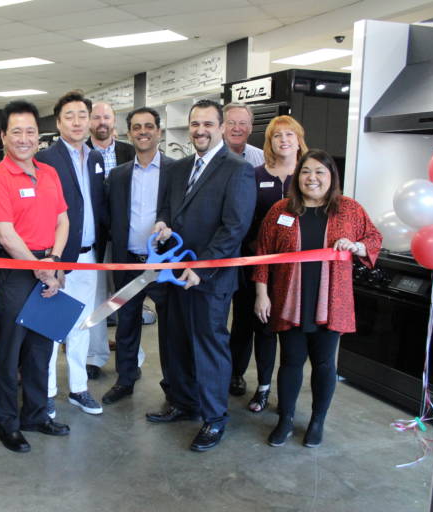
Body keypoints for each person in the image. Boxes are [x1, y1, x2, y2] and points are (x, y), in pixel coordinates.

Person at [253, 149, 382, 448]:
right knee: (290, 362)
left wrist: (357, 247)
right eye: (306, 171)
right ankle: (285, 419)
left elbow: (374, 239)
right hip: (289, 300)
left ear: (331, 177)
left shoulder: (349, 209)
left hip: (331, 302)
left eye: (320, 172)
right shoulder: (282, 210)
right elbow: (262, 254)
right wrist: (261, 293)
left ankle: (317, 421)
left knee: (324, 364)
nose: (312, 178)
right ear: (298, 177)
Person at [153, 99, 256, 452]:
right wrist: (162, 224)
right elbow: (167, 208)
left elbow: (234, 228)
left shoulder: (237, 169)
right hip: (176, 272)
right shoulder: (179, 168)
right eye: (195, 124)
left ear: (222, 127)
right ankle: (183, 402)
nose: (200, 130)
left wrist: (202, 267)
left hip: (210, 278)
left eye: (208, 124)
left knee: (208, 345)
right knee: (176, 340)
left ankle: (214, 419)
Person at [0, 99, 71, 453]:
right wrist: (40, 269)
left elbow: (62, 220)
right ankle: (8, 421)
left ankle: (35, 414)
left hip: (50, 264)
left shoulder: (49, 173)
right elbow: (5, 234)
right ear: (4, 136)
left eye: (30, 131)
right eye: (16, 131)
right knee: (10, 351)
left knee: (41, 347)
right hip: (17, 272)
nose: (24, 138)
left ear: (39, 136)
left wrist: (55, 262)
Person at [228, 115, 308, 411]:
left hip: (293, 271)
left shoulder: (309, 175)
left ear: (298, 139)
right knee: (245, 322)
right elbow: (242, 217)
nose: (284, 140)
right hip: (253, 263)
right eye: (277, 136)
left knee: (277, 330)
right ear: (269, 142)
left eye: (289, 134)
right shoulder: (254, 173)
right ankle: (236, 374)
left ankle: (266, 386)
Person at [36, 90, 107, 418]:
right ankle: (47, 392)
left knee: (82, 325)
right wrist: (53, 259)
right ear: (58, 121)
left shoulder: (94, 158)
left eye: (82, 115)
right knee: (51, 328)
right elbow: (45, 213)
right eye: (70, 116)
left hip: (90, 256)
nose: (77, 122)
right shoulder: (47, 160)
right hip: (60, 259)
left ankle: (78, 388)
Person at [102, 106, 175, 405]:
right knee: (127, 323)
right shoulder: (118, 175)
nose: (142, 131)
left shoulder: (176, 170)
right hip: (127, 260)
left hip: (163, 264)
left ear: (159, 131)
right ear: (129, 133)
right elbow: (108, 217)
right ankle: (125, 379)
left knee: (170, 329)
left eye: (148, 126)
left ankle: (174, 386)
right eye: (136, 127)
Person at [85, 101, 137, 380]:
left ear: (114, 122)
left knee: (126, 298)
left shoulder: (129, 152)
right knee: (95, 299)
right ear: (89, 122)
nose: (101, 122)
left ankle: (133, 358)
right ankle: (95, 356)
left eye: (107, 117)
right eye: (96, 117)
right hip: (93, 237)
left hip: (124, 238)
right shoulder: (82, 153)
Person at [223, 102, 264, 167]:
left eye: (242, 123)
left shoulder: (263, 159)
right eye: (231, 123)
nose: (236, 128)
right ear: (222, 127)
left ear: (250, 128)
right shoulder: (207, 158)